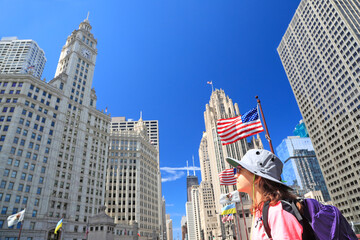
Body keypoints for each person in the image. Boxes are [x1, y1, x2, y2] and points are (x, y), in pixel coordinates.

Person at [226, 149, 308, 240]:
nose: (235, 175)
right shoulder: (259, 211)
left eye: (239, 170)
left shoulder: (277, 211)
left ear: (257, 177)